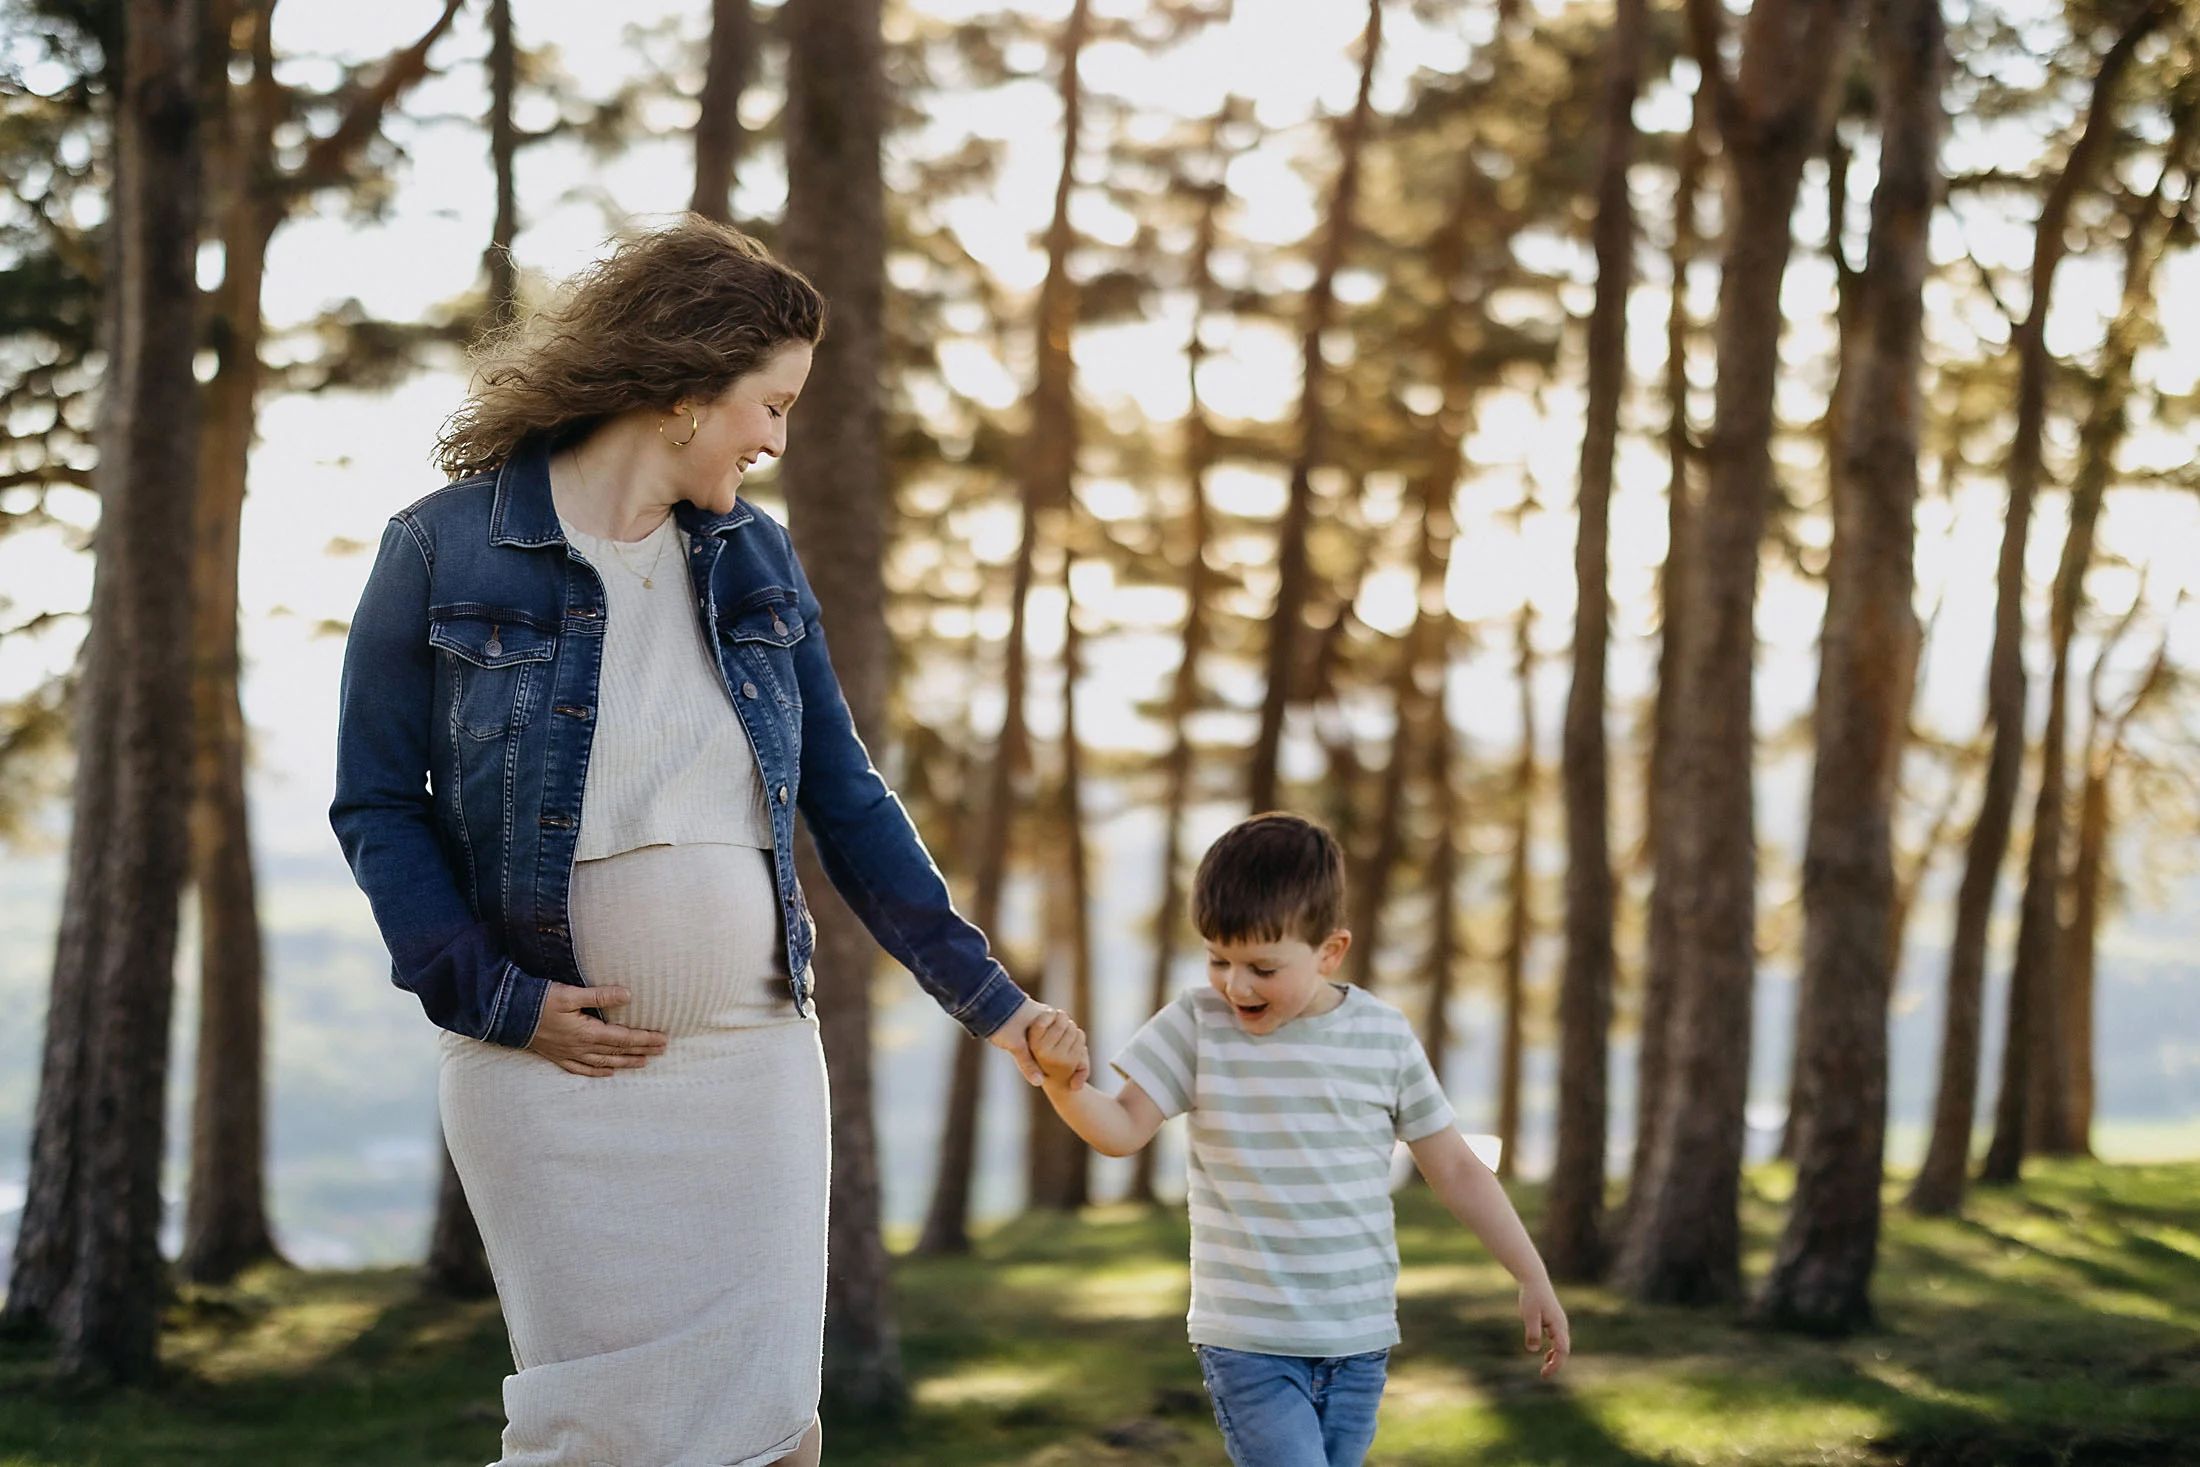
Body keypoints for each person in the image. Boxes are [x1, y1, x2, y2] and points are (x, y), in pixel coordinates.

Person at [330, 218, 1080, 1467]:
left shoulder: (753, 563)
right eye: (769, 406)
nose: (778, 442)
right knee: (597, 1438)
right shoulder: (439, 548)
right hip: (546, 1079)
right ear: (684, 389)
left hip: (754, 1070)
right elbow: (375, 805)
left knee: (776, 1434)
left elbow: (847, 802)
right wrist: (497, 1001)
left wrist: (997, 1008)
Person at [1025, 811, 1569, 1467]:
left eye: (1261, 964)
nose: (1236, 984)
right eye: (1218, 958)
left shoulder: (1383, 1036)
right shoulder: (1196, 1027)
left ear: (1329, 950)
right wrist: (1062, 1085)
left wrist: (1530, 1272)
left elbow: (1455, 1166)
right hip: (1248, 1340)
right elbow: (1120, 1129)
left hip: (1359, 1339)